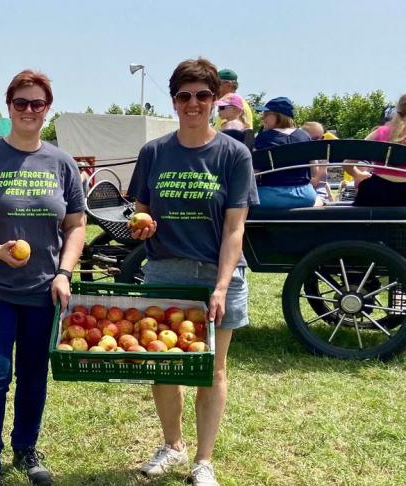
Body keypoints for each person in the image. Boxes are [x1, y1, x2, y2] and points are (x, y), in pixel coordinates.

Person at [0, 69, 86, 486]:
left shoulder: (61, 162)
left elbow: (76, 225)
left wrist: (64, 272)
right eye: (21, 103)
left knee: (33, 373)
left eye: (37, 104)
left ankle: (26, 449)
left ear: (48, 109)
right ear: (8, 106)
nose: (29, 110)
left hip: (44, 289)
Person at [127, 58, 258, 486]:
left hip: (217, 274)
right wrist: (142, 222)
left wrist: (221, 286)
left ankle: (203, 460)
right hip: (165, 271)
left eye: (203, 95)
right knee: (163, 366)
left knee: (212, 369)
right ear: (174, 101)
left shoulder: (233, 154)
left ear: (215, 99)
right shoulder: (154, 152)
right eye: (184, 96)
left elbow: (234, 228)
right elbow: (140, 212)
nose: (193, 103)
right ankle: (171, 444)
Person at [253, 97, 321, 208]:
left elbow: (255, 174)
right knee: (318, 199)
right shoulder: (305, 136)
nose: (262, 118)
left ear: (279, 116)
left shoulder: (262, 138)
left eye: (266, 114)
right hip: (305, 196)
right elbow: (314, 170)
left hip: (270, 197)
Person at [301, 122, 339, 203]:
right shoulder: (307, 157)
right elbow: (314, 183)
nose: (319, 141)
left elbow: (323, 182)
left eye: (322, 138)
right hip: (313, 196)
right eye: (315, 139)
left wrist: (330, 195)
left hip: (322, 195)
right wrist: (323, 166)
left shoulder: (319, 154)